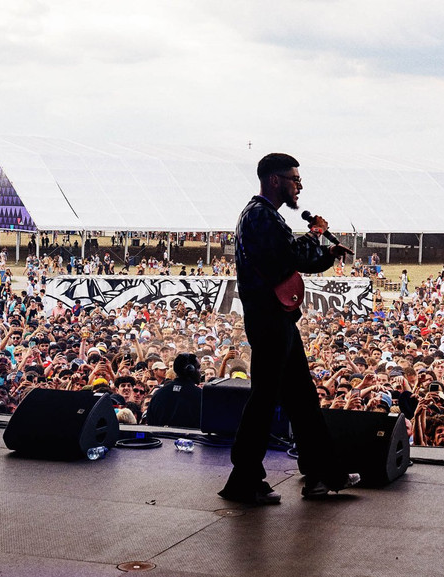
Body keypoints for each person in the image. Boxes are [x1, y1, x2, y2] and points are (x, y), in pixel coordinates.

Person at [219, 152, 358, 505]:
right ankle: (244, 480)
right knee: (266, 398)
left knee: (301, 397)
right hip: (269, 319)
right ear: (275, 180)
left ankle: (321, 476)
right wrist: (316, 233)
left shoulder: (264, 216)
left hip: (276, 317)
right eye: (295, 179)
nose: (299, 187)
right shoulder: (260, 216)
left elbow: (297, 260)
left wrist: (327, 254)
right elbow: (292, 256)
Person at [143, 352, 203, 429]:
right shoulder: (200, 396)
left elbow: (151, 423)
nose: (200, 372)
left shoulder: (158, 394)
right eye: (198, 368)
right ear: (190, 370)